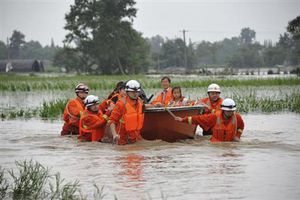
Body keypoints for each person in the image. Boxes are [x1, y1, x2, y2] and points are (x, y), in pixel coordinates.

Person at [175, 98, 244, 142]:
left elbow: (241, 126)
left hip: (229, 143)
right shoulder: (215, 116)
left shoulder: (237, 117)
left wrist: (238, 136)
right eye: (228, 111)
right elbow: (198, 119)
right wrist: (182, 119)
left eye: (232, 111)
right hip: (216, 144)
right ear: (223, 110)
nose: (230, 113)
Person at [108, 80, 144, 145]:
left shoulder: (140, 102)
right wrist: (114, 134)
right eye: (133, 92)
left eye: (137, 92)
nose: (135, 94)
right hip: (123, 139)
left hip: (136, 137)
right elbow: (112, 121)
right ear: (127, 92)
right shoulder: (121, 104)